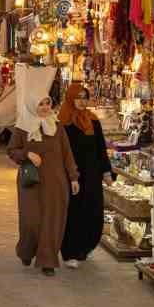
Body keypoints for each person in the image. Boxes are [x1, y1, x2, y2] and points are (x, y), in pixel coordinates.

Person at [8, 93, 79, 276]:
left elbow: (67, 154)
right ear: (33, 106)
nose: (46, 107)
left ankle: (48, 260)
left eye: (48, 103)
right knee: (31, 221)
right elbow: (12, 150)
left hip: (56, 182)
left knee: (52, 221)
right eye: (41, 104)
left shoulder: (57, 126)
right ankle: (27, 250)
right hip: (31, 182)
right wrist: (27, 154)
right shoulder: (23, 127)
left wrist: (73, 177)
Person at [58, 84, 113, 267]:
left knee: (93, 211)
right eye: (78, 97)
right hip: (71, 175)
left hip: (92, 175)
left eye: (85, 97)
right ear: (70, 98)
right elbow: (59, 151)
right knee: (73, 213)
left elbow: (101, 148)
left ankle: (85, 247)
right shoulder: (63, 122)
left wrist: (106, 171)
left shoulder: (93, 120)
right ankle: (70, 251)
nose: (82, 101)